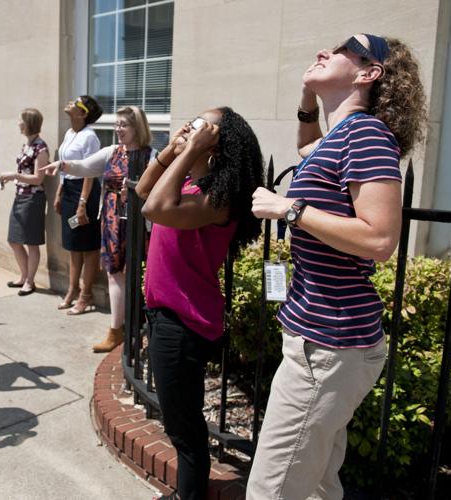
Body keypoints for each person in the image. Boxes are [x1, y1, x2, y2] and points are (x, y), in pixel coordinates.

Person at [248, 34, 426, 498]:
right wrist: (308, 97)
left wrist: (288, 209)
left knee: (272, 489)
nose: (323, 51)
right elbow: (310, 148)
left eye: (346, 48)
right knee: (320, 484)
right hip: (321, 341)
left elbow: (381, 239)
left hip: (329, 346)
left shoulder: (367, 134)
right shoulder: (340, 137)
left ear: (370, 74)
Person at [135, 107, 264, 500]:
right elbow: (143, 191)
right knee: (179, 423)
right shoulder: (192, 187)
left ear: (219, 144)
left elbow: (153, 209)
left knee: (185, 430)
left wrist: (190, 150)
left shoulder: (219, 202)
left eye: (204, 125)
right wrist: (175, 151)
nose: (194, 127)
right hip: (165, 316)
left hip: (184, 321)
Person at [42, 105, 154, 352]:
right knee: (115, 272)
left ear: (138, 127)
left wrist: (139, 191)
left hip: (141, 223)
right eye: (117, 124)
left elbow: (161, 191)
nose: (118, 129)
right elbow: (83, 167)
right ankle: (116, 330)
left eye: (123, 125)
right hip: (113, 220)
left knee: (144, 275)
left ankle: (143, 328)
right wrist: (61, 165)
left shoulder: (153, 156)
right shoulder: (112, 151)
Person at [53, 96, 103, 314]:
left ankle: (86, 294)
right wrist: (59, 192)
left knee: (89, 248)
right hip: (70, 191)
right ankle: (72, 290)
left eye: (76, 102)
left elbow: (90, 172)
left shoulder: (89, 137)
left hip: (86, 193)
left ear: (83, 114)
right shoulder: (70, 133)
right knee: (74, 246)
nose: (71, 102)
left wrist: (82, 204)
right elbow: (66, 167)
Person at [0, 108, 49, 296]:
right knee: (14, 240)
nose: (18, 123)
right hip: (20, 196)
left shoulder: (41, 148)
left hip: (32, 199)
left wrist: (14, 175)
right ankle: (23, 276)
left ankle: (29, 281)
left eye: (20, 120)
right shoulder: (27, 144)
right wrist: (10, 179)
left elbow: (38, 178)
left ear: (29, 123)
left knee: (31, 242)